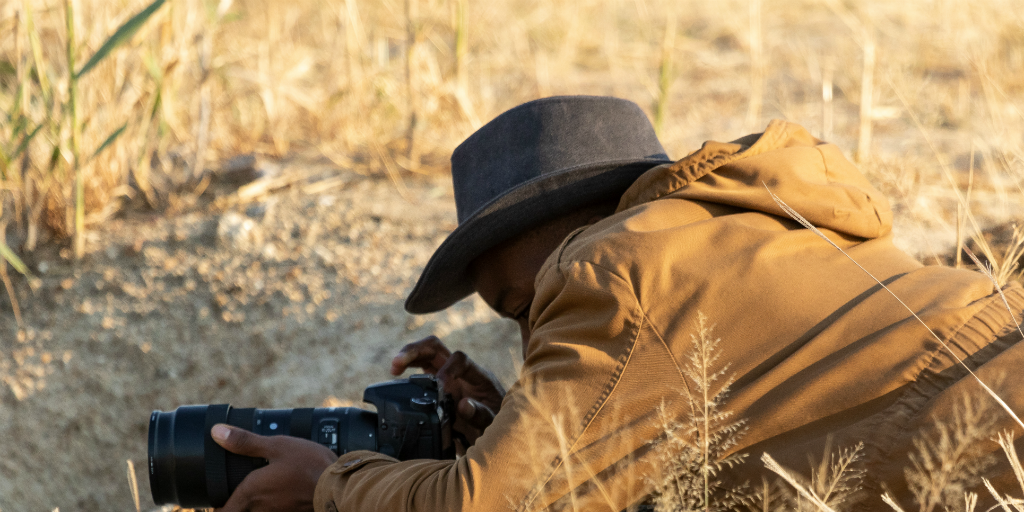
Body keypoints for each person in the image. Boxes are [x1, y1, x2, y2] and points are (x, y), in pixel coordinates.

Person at [209, 96, 1024, 512]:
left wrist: (330, 486)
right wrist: (524, 424)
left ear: (585, 227)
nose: (532, 332)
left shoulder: (610, 266)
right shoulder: (770, 224)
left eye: (526, 306)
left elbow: (481, 509)